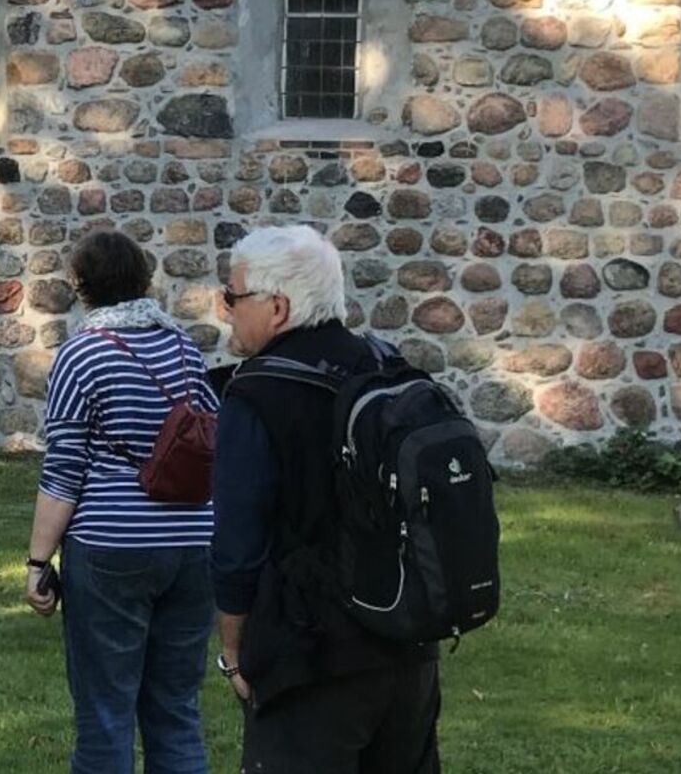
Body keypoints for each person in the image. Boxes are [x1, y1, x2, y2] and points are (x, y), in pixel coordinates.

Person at [209, 225, 441, 773]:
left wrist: (234, 652)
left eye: (234, 296)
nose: (227, 311)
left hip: (308, 657)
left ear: (278, 307)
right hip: (406, 644)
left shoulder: (256, 393)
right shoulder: (387, 368)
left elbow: (237, 543)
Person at [24, 229, 218, 774]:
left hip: (112, 544)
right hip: (193, 540)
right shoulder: (183, 348)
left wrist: (38, 562)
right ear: (143, 280)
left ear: (80, 285)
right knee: (176, 710)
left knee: (106, 713)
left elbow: (64, 470)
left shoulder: (82, 355)